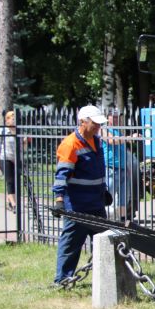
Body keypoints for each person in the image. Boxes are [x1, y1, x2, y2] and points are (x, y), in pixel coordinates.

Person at [52, 105, 112, 286]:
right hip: (77, 205)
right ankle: (62, 280)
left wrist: (103, 191)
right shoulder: (70, 144)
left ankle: (106, 278)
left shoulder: (97, 141)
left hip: (96, 202)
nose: (98, 127)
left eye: (99, 124)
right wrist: (59, 199)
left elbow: (97, 170)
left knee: (103, 241)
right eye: (94, 123)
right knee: (71, 243)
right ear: (82, 122)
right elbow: (62, 175)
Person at [101, 111, 133, 220]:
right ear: (107, 117)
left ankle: (122, 220)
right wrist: (128, 138)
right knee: (107, 196)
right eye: (114, 117)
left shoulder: (119, 131)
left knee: (124, 197)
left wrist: (127, 166)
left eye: (117, 117)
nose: (116, 119)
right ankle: (102, 219)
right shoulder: (103, 129)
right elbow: (111, 141)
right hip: (110, 168)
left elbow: (123, 151)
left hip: (122, 169)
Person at [0, 110, 18, 212]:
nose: (14, 120)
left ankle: (9, 202)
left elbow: (22, 148)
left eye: (15, 118)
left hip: (16, 159)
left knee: (15, 181)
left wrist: (25, 142)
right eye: (12, 118)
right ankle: (14, 204)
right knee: (10, 181)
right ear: (7, 120)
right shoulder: (2, 131)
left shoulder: (19, 131)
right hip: (5, 158)